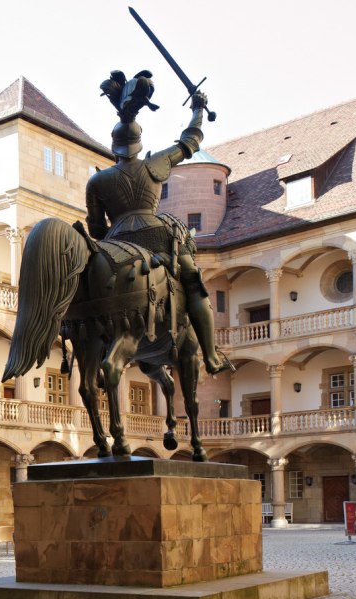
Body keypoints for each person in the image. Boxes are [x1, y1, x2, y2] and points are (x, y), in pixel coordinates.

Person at [85, 70, 233, 375]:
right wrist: (197, 109)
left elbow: (96, 228)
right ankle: (210, 355)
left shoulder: (98, 180)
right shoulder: (156, 164)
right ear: (139, 144)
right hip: (156, 236)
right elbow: (190, 141)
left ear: (114, 147)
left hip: (114, 245)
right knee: (193, 282)